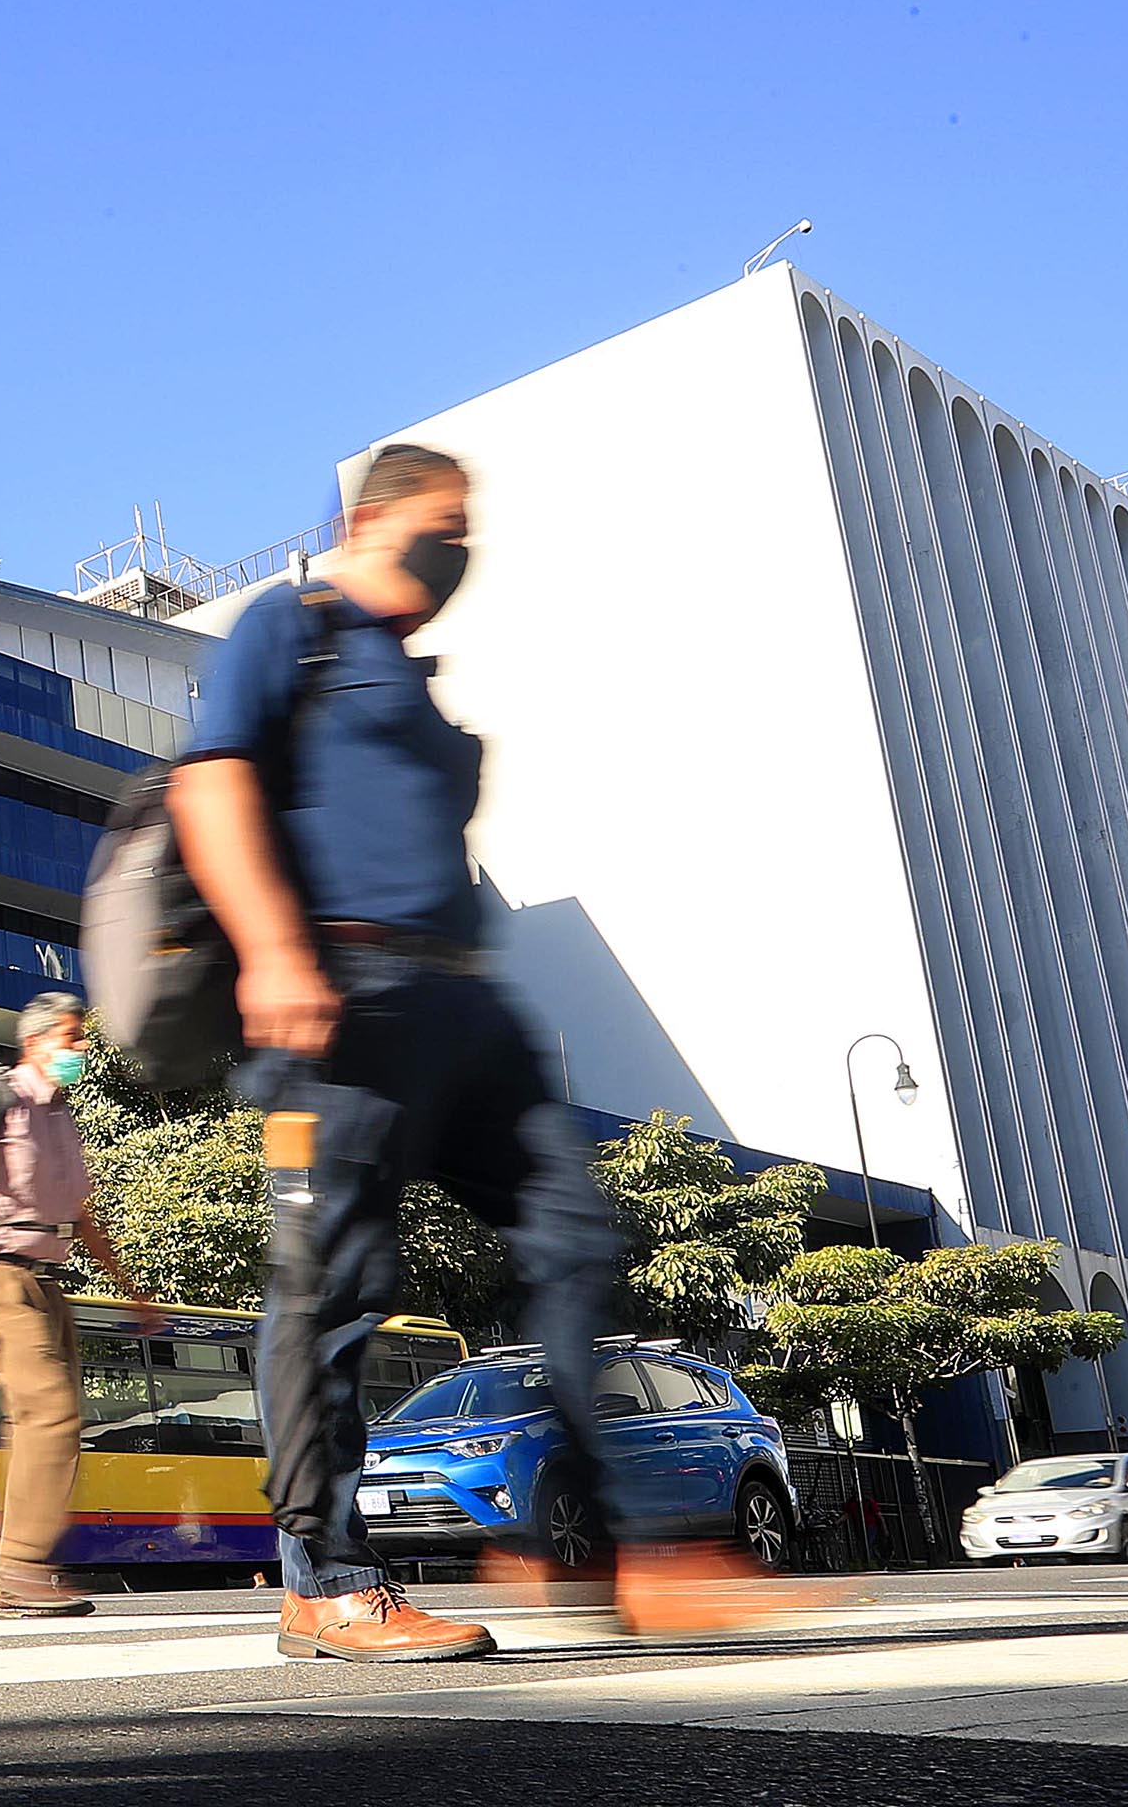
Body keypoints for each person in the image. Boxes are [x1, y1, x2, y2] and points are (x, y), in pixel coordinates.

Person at [170, 441, 767, 1661]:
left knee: (575, 1238)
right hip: (345, 1004)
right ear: (370, 517)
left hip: (466, 1012)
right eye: (443, 526)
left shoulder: (400, 668)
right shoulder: (295, 629)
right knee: (333, 1289)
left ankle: (620, 1556)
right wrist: (274, 948)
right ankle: (325, 1581)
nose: (459, 550)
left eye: (467, 530)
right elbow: (211, 784)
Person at [0, 990, 160, 1616]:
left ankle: (14, 1566)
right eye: (71, 1038)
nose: (81, 1050)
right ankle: (24, 1565)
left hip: (48, 1284)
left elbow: (81, 1213)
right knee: (49, 1414)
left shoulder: (61, 1117)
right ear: (34, 1042)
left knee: (44, 1421)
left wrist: (128, 1285)